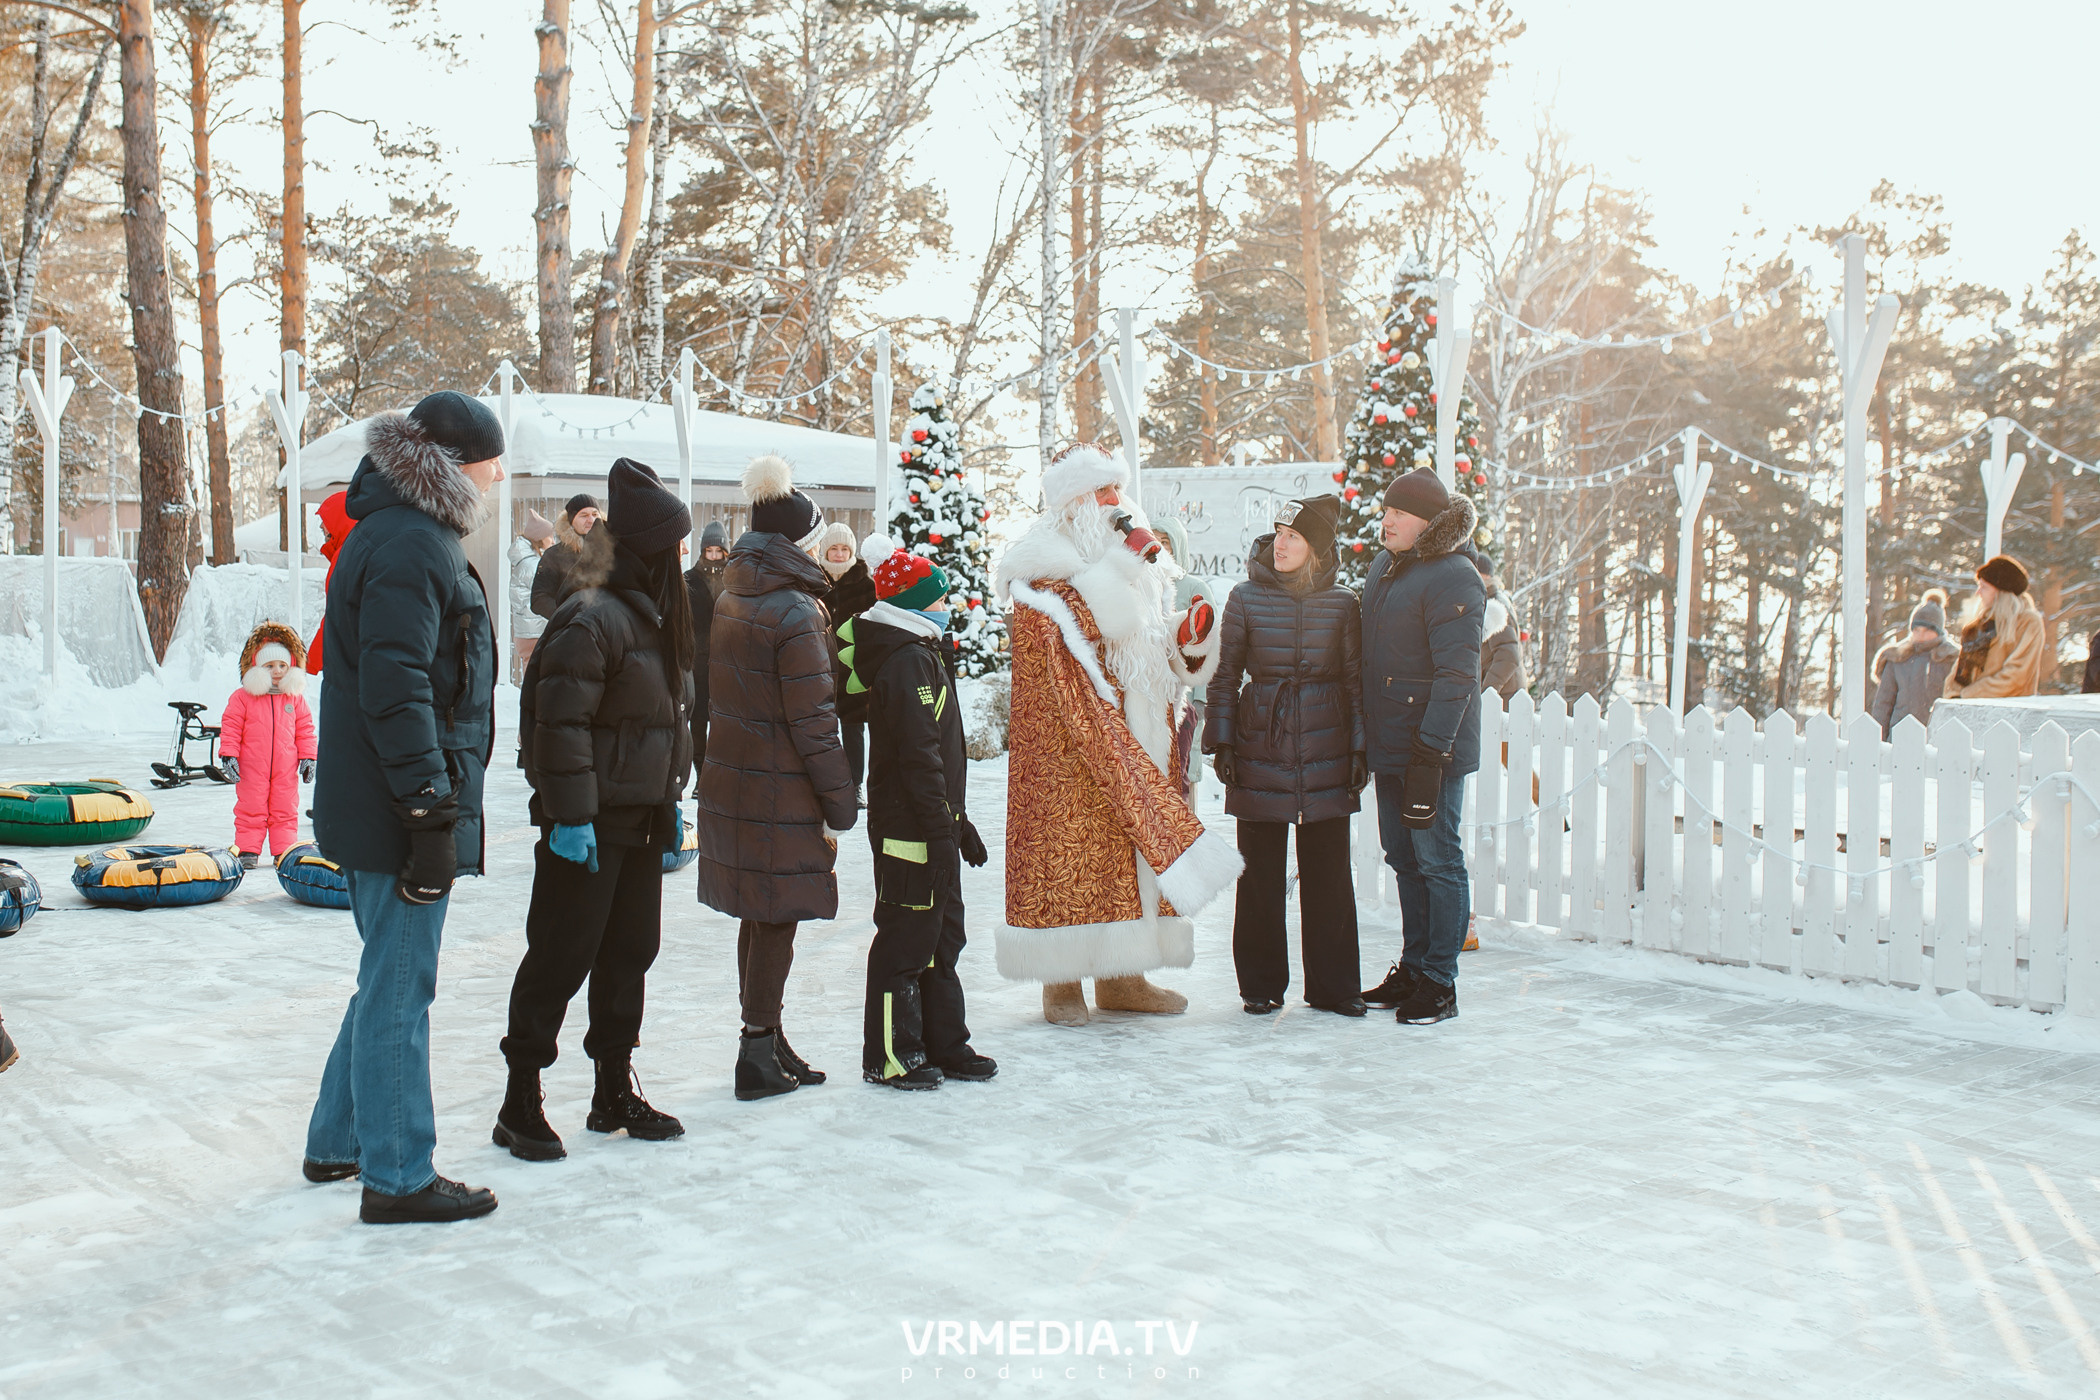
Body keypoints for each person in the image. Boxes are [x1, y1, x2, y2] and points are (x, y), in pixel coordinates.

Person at [305, 390, 505, 1225]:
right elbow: (397, 690)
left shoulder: (404, 533)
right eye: (492, 463)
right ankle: (396, 1175)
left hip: (382, 800)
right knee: (399, 988)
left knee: (383, 976)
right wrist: (429, 811)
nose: (498, 478)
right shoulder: (412, 545)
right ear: (459, 465)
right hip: (398, 807)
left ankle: (339, 1139)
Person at [992, 442, 1239, 1026]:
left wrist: (1186, 640)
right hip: (1068, 755)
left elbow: (1145, 650)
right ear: (1072, 505)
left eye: (1117, 490)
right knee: (1069, 859)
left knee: (1126, 864)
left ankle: (1124, 976)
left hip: (1135, 738)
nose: (1115, 503)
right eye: (1100, 493)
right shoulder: (1042, 581)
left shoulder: (1130, 572)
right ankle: (1061, 984)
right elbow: (1063, 668)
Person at [495, 459, 694, 1160]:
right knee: (561, 954)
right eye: (674, 546)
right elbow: (558, 727)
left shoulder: (651, 618)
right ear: (646, 548)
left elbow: (666, 721)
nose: (682, 559)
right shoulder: (591, 617)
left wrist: (667, 798)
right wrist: (570, 816)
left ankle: (613, 1088)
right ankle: (520, 1098)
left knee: (629, 954)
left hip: (638, 819)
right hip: (586, 825)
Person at [694, 454, 857, 1100]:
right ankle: (756, 1051)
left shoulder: (737, 590)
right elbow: (814, 720)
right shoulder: (793, 611)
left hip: (739, 778)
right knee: (775, 917)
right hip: (778, 785)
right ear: (798, 543)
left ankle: (764, 1036)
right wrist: (839, 801)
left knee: (760, 916)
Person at [1204, 495, 1366, 1016]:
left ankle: (1335, 988)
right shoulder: (1245, 598)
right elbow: (1226, 675)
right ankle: (1260, 985)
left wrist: (1359, 748)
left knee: (1329, 876)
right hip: (1261, 742)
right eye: (1278, 533)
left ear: (1316, 548)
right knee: (1259, 877)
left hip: (1326, 743)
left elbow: (1354, 680)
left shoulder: (1343, 604)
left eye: (1294, 536)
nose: (1282, 543)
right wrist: (1223, 741)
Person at [848, 535, 997, 1088]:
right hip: (909, 829)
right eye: (937, 597)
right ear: (912, 604)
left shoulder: (924, 652)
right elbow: (917, 757)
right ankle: (891, 1054)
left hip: (934, 824)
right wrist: (941, 830)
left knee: (943, 937)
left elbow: (937, 753)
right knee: (907, 939)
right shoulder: (906, 660)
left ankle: (944, 1042)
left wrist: (959, 826)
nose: (946, 604)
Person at [1359, 467, 1484, 1027]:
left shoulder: (1455, 576)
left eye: (1400, 513)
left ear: (1429, 523)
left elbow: (1457, 675)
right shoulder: (1385, 567)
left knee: (1438, 859)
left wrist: (1431, 755)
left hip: (1431, 748)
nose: (1387, 519)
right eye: (1386, 510)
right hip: (1390, 742)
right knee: (1403, 857)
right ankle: (1413, 967)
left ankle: (1441, 980)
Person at [219, 622, 319, 869]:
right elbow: (230, 726)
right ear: (258, 667)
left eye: (282, 666)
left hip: (285, 769)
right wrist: (229, 755)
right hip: (252, 767)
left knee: (285, 809)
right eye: (270, 666)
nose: (277, 671)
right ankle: (248, 849)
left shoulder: (294, 699)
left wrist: (308, 757)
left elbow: (306, 730)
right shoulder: (243, 697)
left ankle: (283, 850)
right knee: (250, 807)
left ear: (290, 667)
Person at [813, 522, 877, 803]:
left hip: (854, 666)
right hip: (818, 666)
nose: (839, 554)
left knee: (853, 728)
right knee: (822, 729)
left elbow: (874, 624)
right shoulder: (813, 580)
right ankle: (826, 783)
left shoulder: (865, 583)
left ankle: (855, 785)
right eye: (834, 548)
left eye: (844, 548)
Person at [1945, 554, 2046, 700]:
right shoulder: (1977, 626)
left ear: (2001, 591)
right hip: (1970, 711)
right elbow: (1958, 674)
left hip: (2009, 712)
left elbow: (2017, 676)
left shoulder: (2028, 622)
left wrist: (1968, 695)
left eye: (1983, 587)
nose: (1978, 593)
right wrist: (1953, 696)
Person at [1870, 589, 1956, 737]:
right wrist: (1879, 740)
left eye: (1927, 630)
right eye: (1917, 630)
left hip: (1938, 737)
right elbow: (1883, 705)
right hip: (1899, 735)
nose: (1921, 635)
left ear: (1939, 631)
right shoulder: (1897, 658)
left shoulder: (1951, 659)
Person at [683, 520, 730, 776]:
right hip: (697, 662)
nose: (713, 556)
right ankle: (701, 774)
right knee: (698, 721)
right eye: (709, 551)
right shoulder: (689, 579)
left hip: (726, 660)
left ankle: (717, 773)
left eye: (718, 551)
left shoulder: (735, 580)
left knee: (723, 721)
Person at [532, 493, 608, 620]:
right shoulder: (554, 555)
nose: (591, 520)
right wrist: (566, 616)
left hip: (608, 629)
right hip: (571, 631)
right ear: (571, 522)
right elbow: (539, 598)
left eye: (595, 514)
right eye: (584, 515)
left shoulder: (613, 551)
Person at [304, 490, 353, 674]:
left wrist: (311, 665)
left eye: (325, 520)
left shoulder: (345, 556)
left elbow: (336, 616)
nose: (322, 527)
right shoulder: (354, 550)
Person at [508, 508, 557, 681]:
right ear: (539, 538)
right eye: (550, 536)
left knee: (531, 678)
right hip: (535, 632)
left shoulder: (524, 563)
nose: (553, 540)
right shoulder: (535, 565)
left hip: (526, 633)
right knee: (536, 682)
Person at [1477, 562, 1526, 700]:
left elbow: (1509, 656)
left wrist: (1487, 693)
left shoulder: (1494, 606)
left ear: (1484, 576)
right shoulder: (1489, 599)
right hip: (1505, 694)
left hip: (1505, 696)